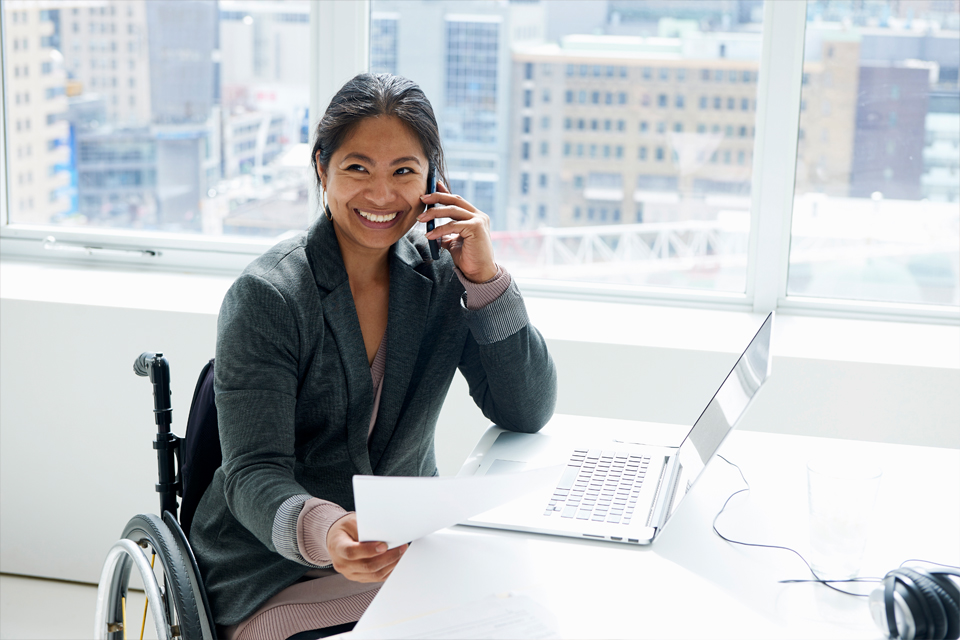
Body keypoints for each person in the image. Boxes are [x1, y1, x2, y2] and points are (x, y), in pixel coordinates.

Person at [189, 73, 557, 640]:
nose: (382, 196)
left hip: (406, 553)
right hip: (275, 570)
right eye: (358, 168)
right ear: (322, 169)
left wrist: (485, 280)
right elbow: (252, 473)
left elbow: (524, 410)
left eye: (403, 172)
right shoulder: (268, 295)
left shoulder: (443, 274)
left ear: (432, 179)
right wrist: (327, 531)